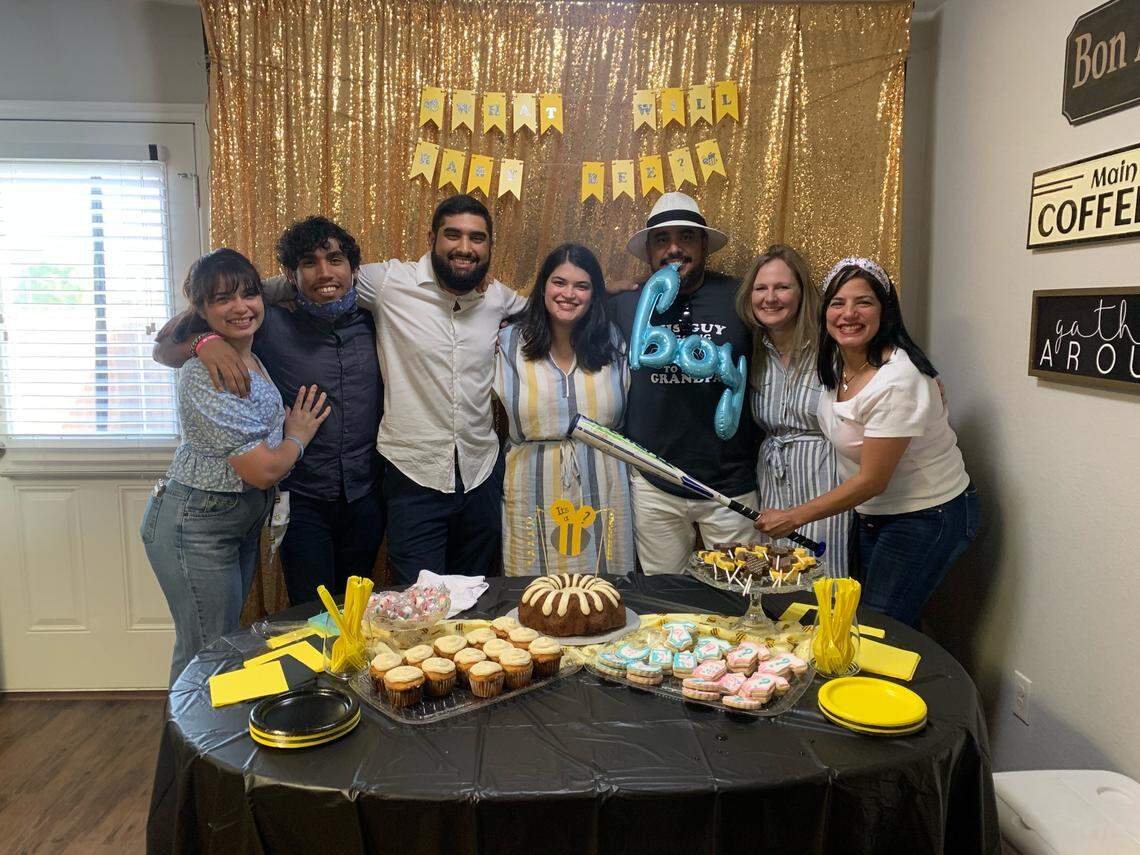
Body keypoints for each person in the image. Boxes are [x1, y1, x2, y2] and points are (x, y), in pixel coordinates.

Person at [260, 194, 526, 582]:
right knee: (417, 606)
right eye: (453, 235)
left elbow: (555, 306)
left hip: (481, 473)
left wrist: (613, 291)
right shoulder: (387, 282)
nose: (465, 248)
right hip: (412, 476)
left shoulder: (497, 298)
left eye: (477, 238)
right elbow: (314, 281)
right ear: (432, 237)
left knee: (478, 597)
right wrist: (209, 332)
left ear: (489, 246)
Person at [153, 218, 384, 606]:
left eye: (335, 259)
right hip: (303, 499)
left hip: (366, 495)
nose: (325, 272)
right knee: (311, 619)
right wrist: (204, 342)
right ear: (292, 276)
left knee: (358, 613)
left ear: (353, 269)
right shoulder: (268, 322)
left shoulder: (377, 318)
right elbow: (163, 348)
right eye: (309, 262)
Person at [755, 257, 979, 626]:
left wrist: (793, 517)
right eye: (837, 303)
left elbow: (873, 479)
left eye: (864, 302)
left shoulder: (899, 379)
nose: (849, 314)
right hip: (875, 515)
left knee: (881, 627)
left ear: (885, 310)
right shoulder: (838, 363)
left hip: (926, 515)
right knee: (877, 619)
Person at [141, 249, 331, 685]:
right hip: (197, 525)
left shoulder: (245, 350)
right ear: (203, 310)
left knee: (220, 646)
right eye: (223, 299)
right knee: (204, 654)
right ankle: (183, 754)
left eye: (249, 294)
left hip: (237, 521)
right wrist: (298, 434)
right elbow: (263, 470)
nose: (241, 307)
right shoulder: (205, 371)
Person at [608, 192, 759, 573]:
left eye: (686, 237)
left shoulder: (741, 296)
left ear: (704, 244)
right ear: (648, 251)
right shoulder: (627, 303)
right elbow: (562, 308)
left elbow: (795, 335)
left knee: (740, 596)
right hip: (654, 482)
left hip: (730, 482)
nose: (674, 248)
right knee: (665, 599)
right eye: (662, 239)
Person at [493, 243, 634, 576]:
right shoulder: (507, 343)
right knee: (534, 594)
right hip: (530, 484)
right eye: (560, 282)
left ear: (594, 294)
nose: (569, 294)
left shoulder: (614, 343)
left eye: (581, 286)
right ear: (543, 286)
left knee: (604, 592)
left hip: (605, 484)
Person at [734, 245, 850, 576]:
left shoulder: (832, 346)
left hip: (824, 478)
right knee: (775, 576)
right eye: (761, 288)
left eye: (782, 287)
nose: (770, 297)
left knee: (824, 575)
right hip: (771, 476)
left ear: (801, 292)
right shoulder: (752, 348)